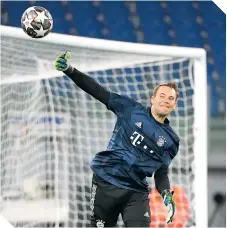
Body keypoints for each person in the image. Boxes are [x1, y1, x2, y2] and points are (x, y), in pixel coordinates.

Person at [54, 51, 179, 227]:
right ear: (153, 99)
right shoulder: (130, 109)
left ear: (174, 105)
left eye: (171, 98)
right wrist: (70, 70)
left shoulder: (172, 141)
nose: (166, 100)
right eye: (162, 96)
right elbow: (98, 91)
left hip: (136, 192)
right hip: (106, 181)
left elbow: (161, 173)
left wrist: (167, 195)